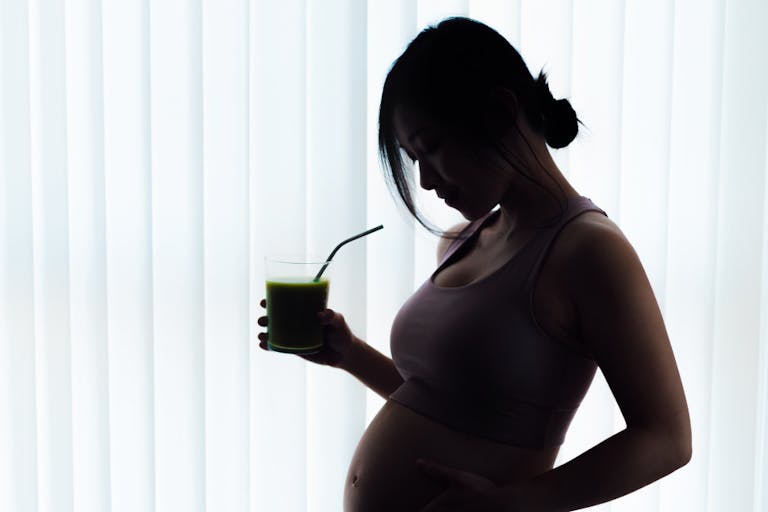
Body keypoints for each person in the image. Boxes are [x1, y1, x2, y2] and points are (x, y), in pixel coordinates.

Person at [258, 16, 691, 512]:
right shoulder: (458, 241)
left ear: (500, 113)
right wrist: (349, 352)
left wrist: (513, 504)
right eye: (411, 158)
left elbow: (667, 438)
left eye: (431, 148)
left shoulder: (588, 251)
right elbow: (451, 408)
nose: (423, 181)